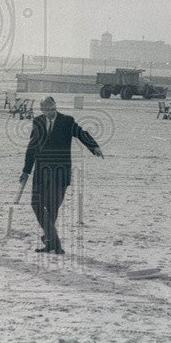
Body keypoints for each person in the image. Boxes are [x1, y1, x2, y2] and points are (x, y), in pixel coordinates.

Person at [19, 96, 103, 255]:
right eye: (47, 110)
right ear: (42, 109)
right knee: (35, 204)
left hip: (60, 173)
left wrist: (94, 147)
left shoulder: (67, 121)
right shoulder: (37, 122)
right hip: (41, 172)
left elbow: (81, 133)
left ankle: (51, 242)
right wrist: (26, 170)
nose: (51, 113)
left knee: (52, 209)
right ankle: (53, 242)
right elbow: (31, 148)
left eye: (53, 109)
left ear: (55, 106)